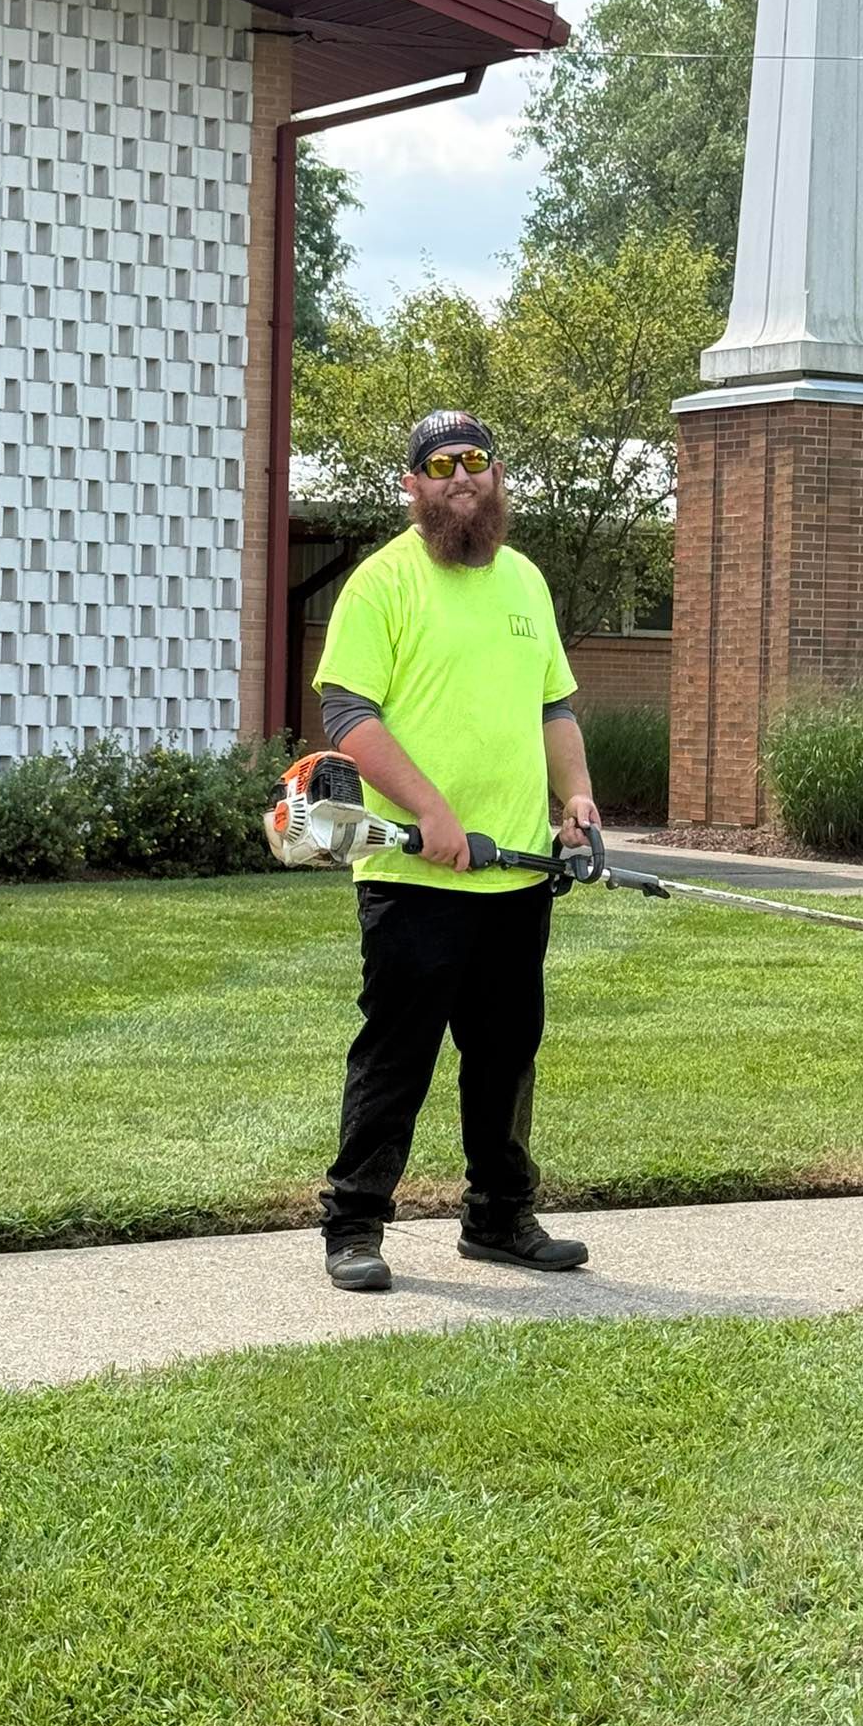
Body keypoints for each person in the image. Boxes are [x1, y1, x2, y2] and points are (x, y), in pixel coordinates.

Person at [312, 410, 600, 1293]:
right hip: (414, 874)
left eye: (475, 461)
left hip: (516, 869)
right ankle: (353, 1224)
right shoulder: (382, 584)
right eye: (440, 464)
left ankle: (499, 1217)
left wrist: (577, 798)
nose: (460, 476)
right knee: (398, 1052)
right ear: (413, 486)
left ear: (497, 476)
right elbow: (348, 718)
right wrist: (433, 813)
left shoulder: (523, 582)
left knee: (509, 1049)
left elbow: (553, 708)